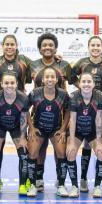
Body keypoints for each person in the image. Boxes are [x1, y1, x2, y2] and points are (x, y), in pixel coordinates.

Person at [29, 33, 75, 192]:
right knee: (38, 149)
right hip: (38, 114)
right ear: (40, 48)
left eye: (51, 45)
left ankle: (60, 181)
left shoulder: (64, 65)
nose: (47, 47)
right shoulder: (32, 65)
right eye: (44, 45)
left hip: (59, 115)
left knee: (59, 150)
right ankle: (38, 180)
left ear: (55, 48)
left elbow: (79, 81)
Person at [71, 36, 102, 193]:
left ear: (101, 47)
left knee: (100, 145)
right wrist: (83, 88)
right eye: (92, 45)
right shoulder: (82, 63)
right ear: (89, 47)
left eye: (98, 45)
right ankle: (83, 179)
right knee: (87, 143)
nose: (95, 48)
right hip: (86, 107)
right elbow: (70, 75)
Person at [0, 34, 32, 191]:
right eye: (6, 44)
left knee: (23, 148)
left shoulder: (24, 61)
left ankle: (24, 183)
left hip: (17, 109)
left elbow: (40, 66)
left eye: (12, 44)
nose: (9, 47)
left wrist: (57, 58)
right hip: (1, 113)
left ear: (16, 45)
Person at [27, 67, 70, 197]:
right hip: (38, 129)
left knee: (62, 153)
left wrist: (63, 129)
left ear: (56, 80)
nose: (50, 79)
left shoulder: (63, 94)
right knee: (33, 153)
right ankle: (33, 185)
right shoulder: (35, 93)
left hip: (55, 130)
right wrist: (32, 128)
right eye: (47, 77)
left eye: (52, 77)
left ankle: (61, 185)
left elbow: (68, 111)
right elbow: (25, 110)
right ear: (43, 80)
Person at [66, 72, 102, 198]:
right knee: (71, 151)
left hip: (93, 131)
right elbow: (72, 120)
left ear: (94, 84)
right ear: (79, 83)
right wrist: (72, 141)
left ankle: (97, 187)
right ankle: (74, 187)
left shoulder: (100, 96)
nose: (86, 84)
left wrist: (99, 139)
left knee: (101, 152)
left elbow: (99, 119)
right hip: (77, 130)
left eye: (89, 82)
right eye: (83, 81)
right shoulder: (73, 96)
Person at [0, 72, 30, 195]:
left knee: (23, 153)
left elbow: (24, 118)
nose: (9, 85)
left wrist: (23, 138)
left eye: (12, 83)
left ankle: (22, 185)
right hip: (0, 126)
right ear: (1, 84)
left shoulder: (23, 98)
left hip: (16, 127)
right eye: (6, 83)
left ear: (17, 84)